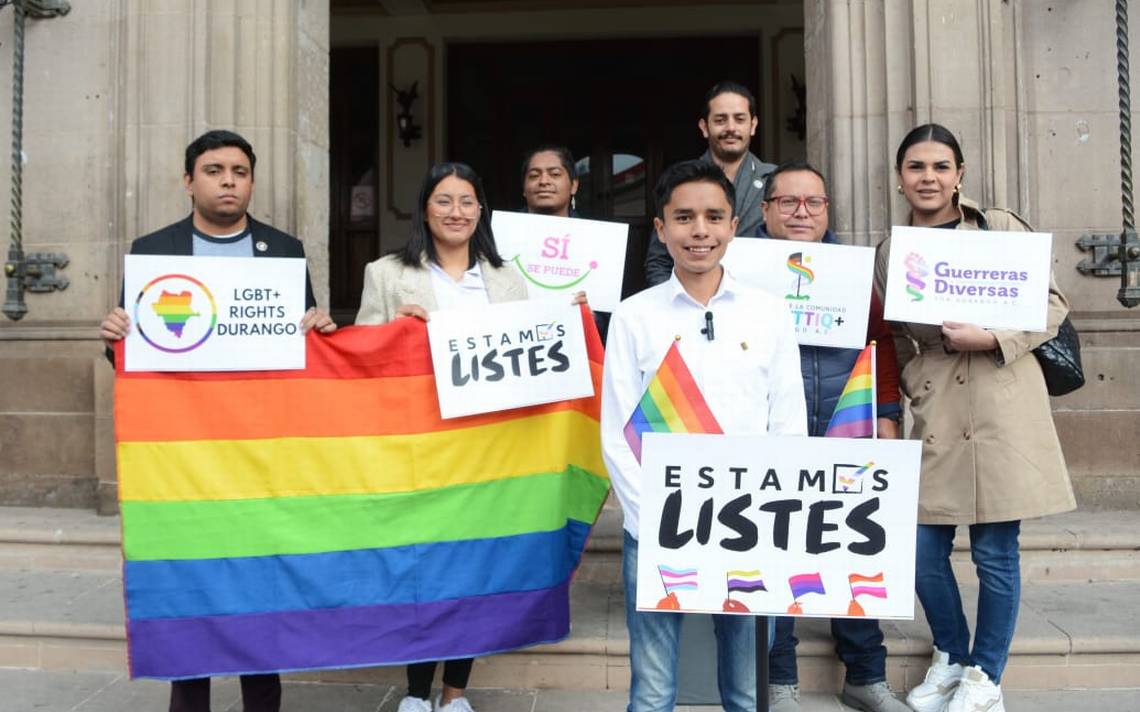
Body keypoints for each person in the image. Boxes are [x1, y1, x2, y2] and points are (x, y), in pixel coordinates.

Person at [98, 129, 336, 712]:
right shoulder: (153, 251)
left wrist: (321, 332)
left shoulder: (284, 251)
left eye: (238, 171)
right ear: (189, 182)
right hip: (186, 460)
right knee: (192, 591)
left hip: (261, 458)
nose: (228, 180)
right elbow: (137, 354)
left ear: (251, 181)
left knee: (262, 592)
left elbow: (301, 350)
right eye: (213, 170)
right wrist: (115, 340)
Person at [874, 124, 1075, 712]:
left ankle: (985, 677)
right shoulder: (893, 250)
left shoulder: (1000, 227)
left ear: (960, 173)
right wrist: (918, 377)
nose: (928, 178)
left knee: (994, 551)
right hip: (937, 406)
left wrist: (990, 335)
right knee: (919, 549)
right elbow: (891, 336)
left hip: (1001, 401)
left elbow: (1053, 303)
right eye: (916, 167)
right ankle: (952, 654)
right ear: (900, 177)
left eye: (940, 166)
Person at [602, 159, 807, 712]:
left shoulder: (769, 315)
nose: (700, 231)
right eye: (684, 217)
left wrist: (773, 516)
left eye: (714, 217)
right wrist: (656, 521)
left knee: (745, 689)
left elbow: (788, 424)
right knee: (651, 690)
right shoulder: (633, 317)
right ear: (661, 228)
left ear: (734, 225)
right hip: (659, 527)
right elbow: (618, 434)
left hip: (750, 530)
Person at [355, 162, 528, 712]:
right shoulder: (385, 274)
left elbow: (529, 358)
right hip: (417, 447)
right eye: (445, 201)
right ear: (424, 210)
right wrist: (388, 333)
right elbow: (360, 355)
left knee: (472, 570)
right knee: (421, 570)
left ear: (482, 211)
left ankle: (455, 695)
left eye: (468, 201)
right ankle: (413, 693)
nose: (457, 212)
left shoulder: (507, 277)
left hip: (485, 447)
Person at [755, 161, 908, 712]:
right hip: (768, 431)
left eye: (813, 203)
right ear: (766, 209)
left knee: (853, 549)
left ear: (827, 211)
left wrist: (886, 412)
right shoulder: (740, 266)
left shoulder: (851, 269)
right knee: (774, 552)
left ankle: (866, 676)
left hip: (847, 424)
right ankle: (778, 680)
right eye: (789, 202)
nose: (802, 212)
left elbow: (881, 342)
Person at [644, 80, 776, 286]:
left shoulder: (775, 181)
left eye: (739, 119)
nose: (731, 128)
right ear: (704, 127)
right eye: (721, 120)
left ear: (753, 125)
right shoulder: (680, 182)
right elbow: (658, 261)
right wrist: (672, 310)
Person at [520, 144, 613, 343]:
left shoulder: (597, 241)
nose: (544, 181)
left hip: (577, 351)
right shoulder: (500, 237)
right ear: (524, 187)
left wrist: (591, 317)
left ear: (573, 186)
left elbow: (608, 319)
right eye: (534, 175)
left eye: (554, 174)